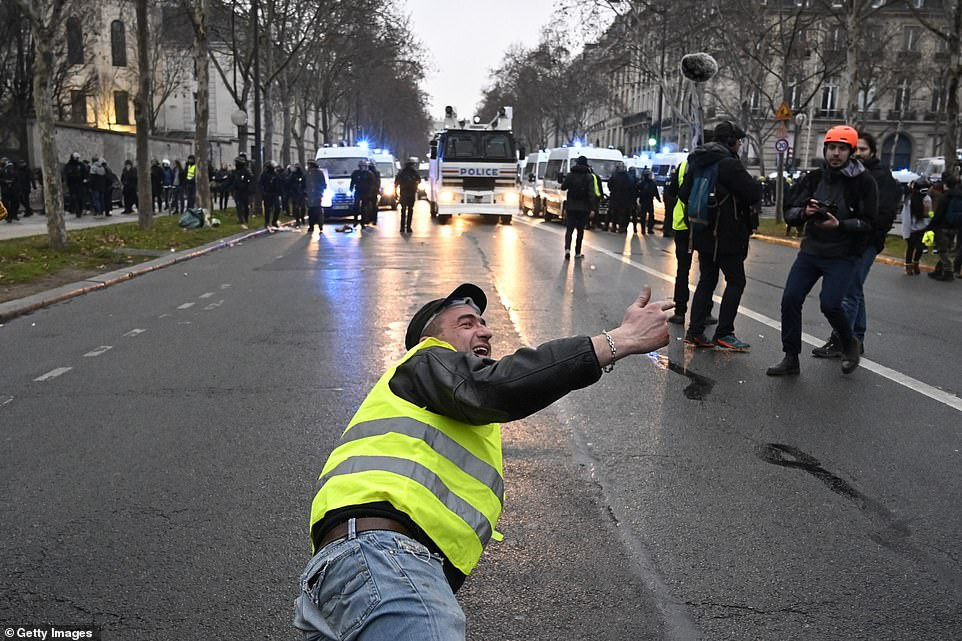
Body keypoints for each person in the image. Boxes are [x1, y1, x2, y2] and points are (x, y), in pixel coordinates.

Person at [293, 282, 673, 640]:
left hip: (354, 571)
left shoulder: (438, 398)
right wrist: (618, 340)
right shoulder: (428, 360)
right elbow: (499, 386)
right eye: (467, 322)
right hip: (383, 559)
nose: (487, 332)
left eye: (485, 323)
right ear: (431, 338)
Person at [766, 125, 878, 376]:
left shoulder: (864, 182)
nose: (835, 154)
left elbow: (870, 222)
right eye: (831, 148)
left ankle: (849, 343)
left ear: (850, 152)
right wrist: (804, 213)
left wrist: (841, 224)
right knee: (791, 299)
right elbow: (790, 211)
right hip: (812, 250)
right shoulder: (813, 178)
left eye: (841, 149)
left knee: (830, 304)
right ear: (825, 149)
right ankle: (791, 357)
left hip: (843, 254)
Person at [812, 132, 900, 358]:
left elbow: (883, 213)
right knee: (855, 289)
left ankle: (841, 341)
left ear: (872, 152)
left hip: (866, 241)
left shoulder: (880, 177)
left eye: (863, 149)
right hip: (848, 239)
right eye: (856, 149)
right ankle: (856, 337)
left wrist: (866, 231)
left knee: (849, 289)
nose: (858, 153)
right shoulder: (846, 174)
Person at [680, 120, 761, 351]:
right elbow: (752, 193)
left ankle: (695, 331)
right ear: (732, 142)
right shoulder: (729, 164)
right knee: (736, 281)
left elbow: (684, 194)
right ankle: (725, 332)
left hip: (702, 231)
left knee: (706, 280)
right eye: (740, 142)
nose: (741, 146)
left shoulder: (697, 161)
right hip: (726, 235)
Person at [926, 171, 962, 281]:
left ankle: (948, 271)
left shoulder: (945, 197)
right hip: (955, 226)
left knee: (942, 250)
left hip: (943, 226)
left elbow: (939, 213)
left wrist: (931, 226)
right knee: (946, 248)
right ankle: (938, 270)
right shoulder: (960, 196)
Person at [560, 155, 596, 259]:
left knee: (569, 229)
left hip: (571, 206)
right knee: (580, 230)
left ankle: (567, 249)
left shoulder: (570, 175)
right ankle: (577, 252)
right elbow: (591, 193)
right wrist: (593, 208)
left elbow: (563, 187)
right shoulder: (589, 177)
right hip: (584, 208)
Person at [901, 179, 931, 275]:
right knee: (911, 247)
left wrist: (929, 220)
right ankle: (908, 266)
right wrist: (906, 232)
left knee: (920, 247)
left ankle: (915, 263)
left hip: (923, 228)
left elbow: (930, 213)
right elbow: (906, 217)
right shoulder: (909, 201)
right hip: (913, 229)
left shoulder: (927, 199)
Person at [606, 162, 635, 234]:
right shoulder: (629, 177)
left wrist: (613, 191)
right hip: (625, 199)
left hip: (615, 198)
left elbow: (609, 185)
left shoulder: (614, 176)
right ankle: (622, 227)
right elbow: (632, 188)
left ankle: (614, 226)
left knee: (614, 213)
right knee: (624, 214)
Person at [395, 157, 421, 232]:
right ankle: (405, 227)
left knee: (407, 210)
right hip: (406, 193)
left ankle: (405, 227)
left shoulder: (411, 172)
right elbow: (396, 182)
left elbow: (419, 180)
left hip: (408, 193)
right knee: (406, 210)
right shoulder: (406, 173)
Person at [349, 160, 376, 229]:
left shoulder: (369, 174)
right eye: (361, 166)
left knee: (364, 209)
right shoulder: (356, 173)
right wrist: (351, 189)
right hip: (358, 191)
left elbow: (372, 184)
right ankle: (355, 220)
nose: (362, 167)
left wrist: (370, 193)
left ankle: (362, 223)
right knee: (356, 207)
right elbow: (352, 182)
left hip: (366, 193)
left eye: (364, 166)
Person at [304, 158, 327, 234]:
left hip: (313, 195)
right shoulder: (311, 173)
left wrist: (305, 193)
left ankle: (312, 226)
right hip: (315, 195)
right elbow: (324, 184)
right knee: (317, 210)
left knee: (312, 211)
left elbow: (323, 184)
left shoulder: (309, 173)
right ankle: (319, 225)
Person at [636, 168, 661, 234]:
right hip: (648, 201)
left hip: (645, 201)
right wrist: (659, 199)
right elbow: (655, 192)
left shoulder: (642, 183)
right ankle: (648, 229)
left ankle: (644, 230)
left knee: (644, 216)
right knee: (650, 216)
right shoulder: (651, 183)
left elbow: (636, 191)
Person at [232, 155, 254, 227]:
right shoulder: (235, 172)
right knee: (238, 205)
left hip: (245, 191)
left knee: (245, 205)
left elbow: (250, 180)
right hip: (237, 191)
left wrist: (248, 187)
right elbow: (231, 181)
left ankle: (246, 218)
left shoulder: (246, 171)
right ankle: (240, 219)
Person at [260, 160, 282, 228]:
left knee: (277, 207)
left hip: (275, 193)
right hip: (267, 193)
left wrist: (279, 192)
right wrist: (263, 192)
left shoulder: (276, 174)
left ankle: (274, 221)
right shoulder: (264, 174)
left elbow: (279, 183)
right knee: (267, 209)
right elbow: (260, 183)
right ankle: (267, 222)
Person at [63, 152, 86, 218]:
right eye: (76, 158)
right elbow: (66, 174)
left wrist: (85, 179)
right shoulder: (68, 166)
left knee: (80, 198)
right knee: (74, 198)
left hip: (80, 184)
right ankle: (77, 211)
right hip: (72, 184)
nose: (77, 159)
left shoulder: (81, 165)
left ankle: (80, 210)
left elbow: (85, 173)